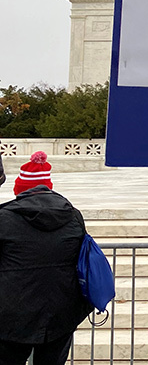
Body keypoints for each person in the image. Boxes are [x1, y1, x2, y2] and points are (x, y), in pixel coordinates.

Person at [0, 151, 93, 365]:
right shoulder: (73, 216)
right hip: (61, 315)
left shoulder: (5, 218)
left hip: (12, 317)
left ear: (19, 190)